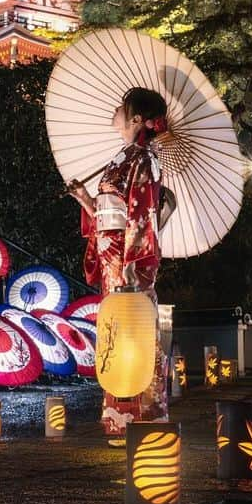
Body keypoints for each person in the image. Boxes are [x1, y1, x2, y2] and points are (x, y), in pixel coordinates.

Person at [67, 87, 169, 433]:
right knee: (115, 333)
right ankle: (118, 416)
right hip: (115, 256)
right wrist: (85, 199)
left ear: (137, 119)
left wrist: (131, 263)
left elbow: (142, 214)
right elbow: (110, 214)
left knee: (133, 330)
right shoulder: (124, 157)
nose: (115, 110)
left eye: (121, 107)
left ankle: (144, 416)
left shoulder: (144, 158)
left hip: (128, 260)